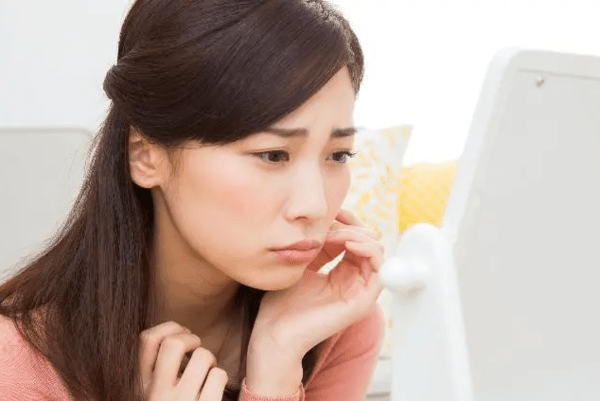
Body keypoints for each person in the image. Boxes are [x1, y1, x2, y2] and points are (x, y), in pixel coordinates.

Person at [0, 0, 386, 400]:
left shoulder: (327, 323)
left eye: (338, 155)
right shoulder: (16, 367)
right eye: (273, 155)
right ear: (145, 157)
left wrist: (277, 359)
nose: (315, 205)